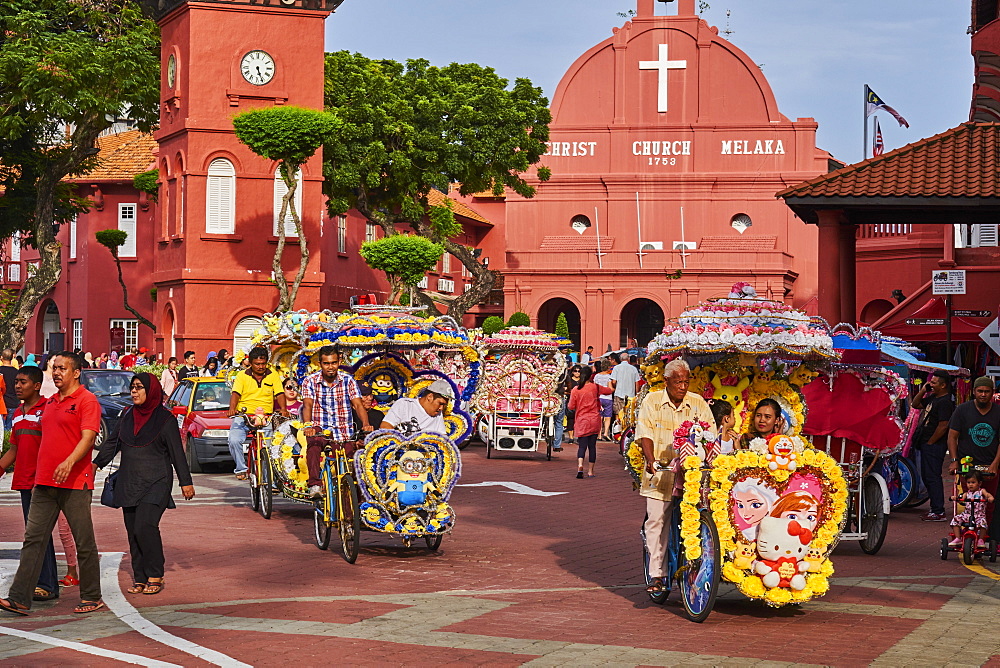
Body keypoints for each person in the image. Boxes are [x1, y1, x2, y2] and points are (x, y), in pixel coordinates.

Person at [0, 352, 103, 616]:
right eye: (53, 368)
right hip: (43, 482)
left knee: (84, 542)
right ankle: (20, 598)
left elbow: (88, 437)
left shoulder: (86, 401)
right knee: (33, 539)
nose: (56, 373)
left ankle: (92, 595)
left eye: (62, 368)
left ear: (76, 372)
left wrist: (69, 462)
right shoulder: (50, 404)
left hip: (74, 483)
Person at [94, 373, 194, 595]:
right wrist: (95, 465)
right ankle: (139, 576)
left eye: (139, 387)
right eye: (132, 387)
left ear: (152, 391)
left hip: (157, 481)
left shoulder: (165, 420)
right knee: (132, 531)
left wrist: (185, 482)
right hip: (130, 481)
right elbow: (112, 444)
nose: (134, 391)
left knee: (144, 526)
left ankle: (155, 573)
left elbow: (177, 454)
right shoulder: (127, 415)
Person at [634, 358, 714, 595]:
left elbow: (710, 433)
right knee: (657, 521)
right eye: (678, 381)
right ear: (666, 381)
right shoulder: (653, 400)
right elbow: (645, 432)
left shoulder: (697, 403)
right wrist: (650, 460)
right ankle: (657, 574)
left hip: (691, 475)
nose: (683, 386)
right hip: (660, 474)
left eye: (686, 381)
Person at [0, 366, 59, 601]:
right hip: (24, 482)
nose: (17, 386)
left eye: (22, 382)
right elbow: (13, 449)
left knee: (38, 533)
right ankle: (45, 581)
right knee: (35, 533)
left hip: (43, 482)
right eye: (16, 382)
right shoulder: (17, 414)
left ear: (36, 386)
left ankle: (47, 583)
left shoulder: (47, 410)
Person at [299, 347, 371, 498]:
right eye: (326, 363)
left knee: (350, 464)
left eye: (333, 363)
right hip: (320, 427)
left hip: (344, 429)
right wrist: (308, 426)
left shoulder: (348, 381)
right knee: (314, 445)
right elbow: (308, 405)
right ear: (320, 364)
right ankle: (315, 485)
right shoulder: (310, 381)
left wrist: (365, 424)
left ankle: (352, 503)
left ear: (339, 362)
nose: (330, 367)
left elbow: (358, 405)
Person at [947, 375, 1000, 533]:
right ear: (974, 392)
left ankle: (984, 537)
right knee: (967, 501)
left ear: (992, 392)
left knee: (988, 503)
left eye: (987, 391)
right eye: (980, 391)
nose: (983, 394)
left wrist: (995, 464)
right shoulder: (962, 410)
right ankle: (966, 535)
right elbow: (952, 436)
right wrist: (955, 460)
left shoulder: (998, 412)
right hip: (967, 466)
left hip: (989, 465)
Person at [226, 346, 287, 480]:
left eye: (263, 364)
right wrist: (232, 408)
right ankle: (241, 469)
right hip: (244, 415)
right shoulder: (242, 376)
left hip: (266, 417)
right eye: (257, 364)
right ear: (250, 363)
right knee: (234, 440)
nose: (260, 367)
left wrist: (283, 409)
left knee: (271, 447)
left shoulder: (273, 375)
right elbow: (235, 394)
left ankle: (269, 480)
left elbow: (280, 393)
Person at [912, 371, 955, 522]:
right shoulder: (933, 397)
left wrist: (931, 442)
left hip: (935, 445)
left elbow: (943, 426)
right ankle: (934, 509)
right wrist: (923, 390)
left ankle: (938, 510)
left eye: (935, 383)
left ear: (943, 385)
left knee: (932, 476)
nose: (931, 384)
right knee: (927, 475)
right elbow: (915, 404)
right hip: (926, 443)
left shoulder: (945, 402)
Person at [568, 365, 613, 478]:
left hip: (582, 419)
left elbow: (571, 406)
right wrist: (610, 383)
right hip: (594, 419)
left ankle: (580, 465)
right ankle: (591, 471)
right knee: (592, 446)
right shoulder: (595, 387)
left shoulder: (576, 390)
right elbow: (609, 391)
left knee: (582, 446)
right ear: (590, 376)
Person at [380, 378, 453, 437]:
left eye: (444, 405)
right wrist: (403, 443)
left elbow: (443, 437)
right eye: (440, 403)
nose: (441, 408)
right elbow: (385, 427)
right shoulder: (404, 404)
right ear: (430, 397)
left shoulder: (438, 413)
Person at [949, 470, 994, 547]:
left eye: (973, 482)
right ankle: (958, 538)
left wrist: (990, 498)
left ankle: (980, 539)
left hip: (979, 515)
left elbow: (988, 495)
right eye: (968, 482)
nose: (970, 485)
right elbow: (960, 500)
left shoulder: (981, 491)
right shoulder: (967, 494)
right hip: (967, 515)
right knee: (956, 519)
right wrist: (955, 498)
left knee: (983, 524)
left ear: (979, 483)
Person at [553, 365, 581, 452]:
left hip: (548, 396)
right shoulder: (563, 371)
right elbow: (569, 384)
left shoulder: (547, 369)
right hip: (559, 397)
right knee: (559, 422)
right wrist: (568, 390)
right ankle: (557, 445)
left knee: (548, 419)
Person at [609, 352, 641, 427]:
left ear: (620, 359)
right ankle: (627, 431)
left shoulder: (616, 368)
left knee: (618, 413)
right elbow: (637, 383)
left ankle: (618, 431)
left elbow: (613, 381)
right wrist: (637, 395)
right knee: (629, 414)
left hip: (619, 393)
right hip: (630, 395)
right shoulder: (633, 369)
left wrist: (616, 386)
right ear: (628, 359)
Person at [593, 360, 614, 441]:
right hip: (608, 398)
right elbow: (610, 388)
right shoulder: (609, 377)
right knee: (607, 417)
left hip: (599, 398)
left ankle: (599, 435)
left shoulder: (597, 376)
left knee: (600, 417)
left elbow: (594, 387)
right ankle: (605, 433)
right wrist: (614, 389)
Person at [1, 349, 19, 429]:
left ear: (1, 357)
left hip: (2, 403)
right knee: (10, 429)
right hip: (13, 402)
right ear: (12, 357)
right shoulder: (17, 372)